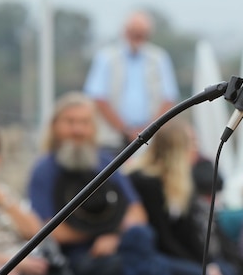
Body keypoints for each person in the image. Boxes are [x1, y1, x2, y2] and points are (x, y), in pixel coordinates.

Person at [27, 91, 203, 275]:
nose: (77, 130)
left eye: (84, 122)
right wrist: (99, 234)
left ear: (93, 128)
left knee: (151, 243)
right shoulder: (45, 170)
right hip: (81, 256)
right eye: (70, 122)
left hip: (124, 247)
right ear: (55, 126)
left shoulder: (105, 161)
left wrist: (114, 236)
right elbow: (47, 229)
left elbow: (137, 213)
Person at [127, 119, 241, 275]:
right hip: (157, 257)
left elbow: (190, 231)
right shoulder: (146, 182)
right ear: (176, 148)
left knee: (227, 270)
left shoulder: (180, 182)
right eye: (192, 141)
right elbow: (163, 237)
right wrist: (203, 268)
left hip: (177, 255)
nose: (196, 147)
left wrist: (208, 263)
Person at [0, 123, 58, 275]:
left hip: (26, 260)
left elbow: (35, 232)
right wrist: (12, 261)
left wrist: (1, 199)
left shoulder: (3, 190)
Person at [84, 10, 179, 155]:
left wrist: (148, 129)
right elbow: (98, 98)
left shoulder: (159, 58)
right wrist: (125, 130)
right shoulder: (106, 57)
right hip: (111, 139)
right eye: (134, 32)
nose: (137, 37)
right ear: (124, 31)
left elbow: (168, 98)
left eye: (141, 33)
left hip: (151, 139)